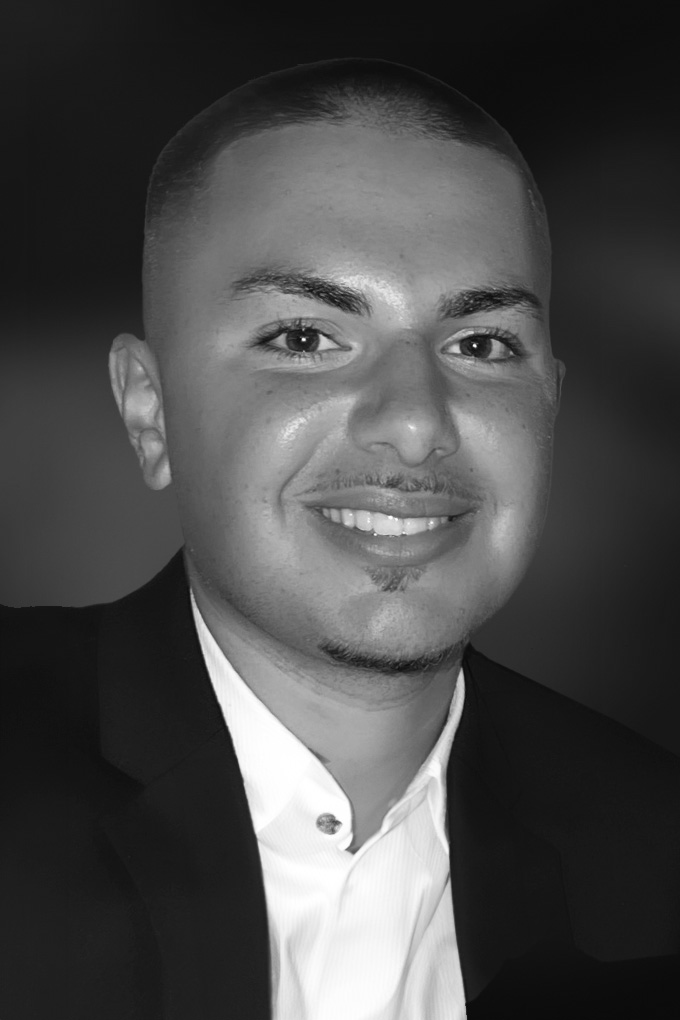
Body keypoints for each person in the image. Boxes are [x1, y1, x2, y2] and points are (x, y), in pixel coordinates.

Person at [1, 57, 678, 1020]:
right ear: (151, 412)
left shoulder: (654, 858)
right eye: (305, 338)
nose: (415, 422)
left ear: (550, 409)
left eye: (481, 346)